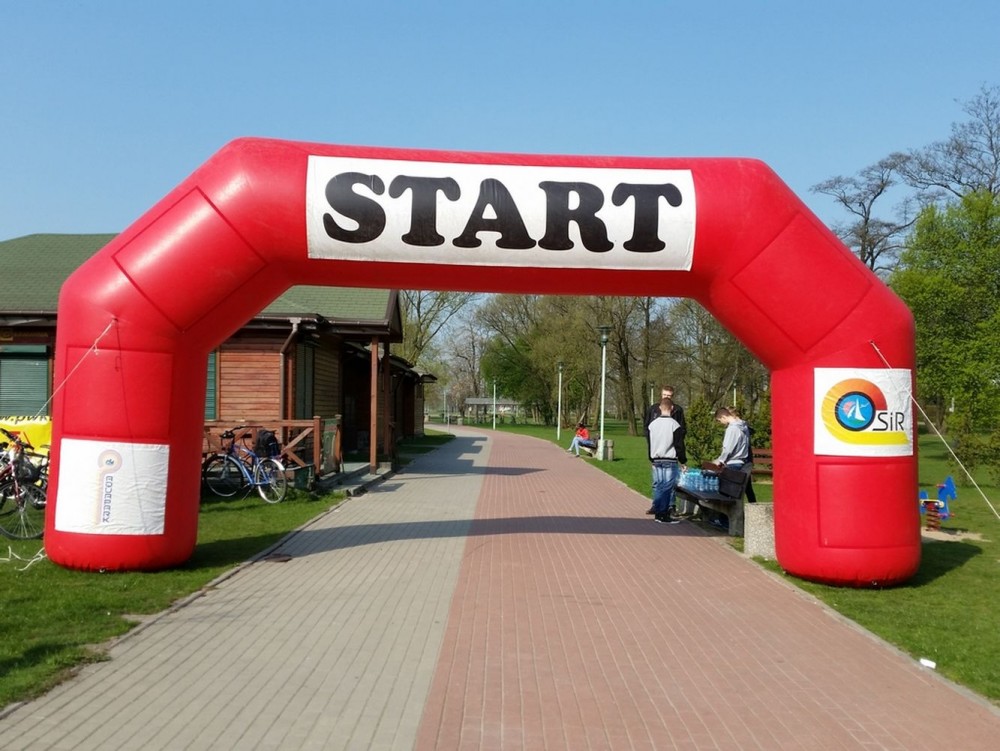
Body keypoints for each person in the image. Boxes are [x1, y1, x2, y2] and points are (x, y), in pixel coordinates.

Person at [644, 385, 687, 514]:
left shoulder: (677, 410)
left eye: (669, 395)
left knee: (669, 483)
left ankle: (670, 506)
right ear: (661, 395)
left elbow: (682, 431)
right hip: (657, 450)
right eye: (664, 395)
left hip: (670, 450)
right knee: (658, 482)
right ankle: (657, 506)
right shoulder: (653, 410)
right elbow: (647, 429)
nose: (666, 397)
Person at [712, 407, 756, 502]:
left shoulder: (732, 429)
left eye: (719, 420)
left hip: (732, 463)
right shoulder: (744, 427)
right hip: (742, 461)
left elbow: (728, 449)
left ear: (723, 416)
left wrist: (720, 460)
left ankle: (722, 513)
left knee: (726, 496)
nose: (721, 423)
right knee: (736, 495)